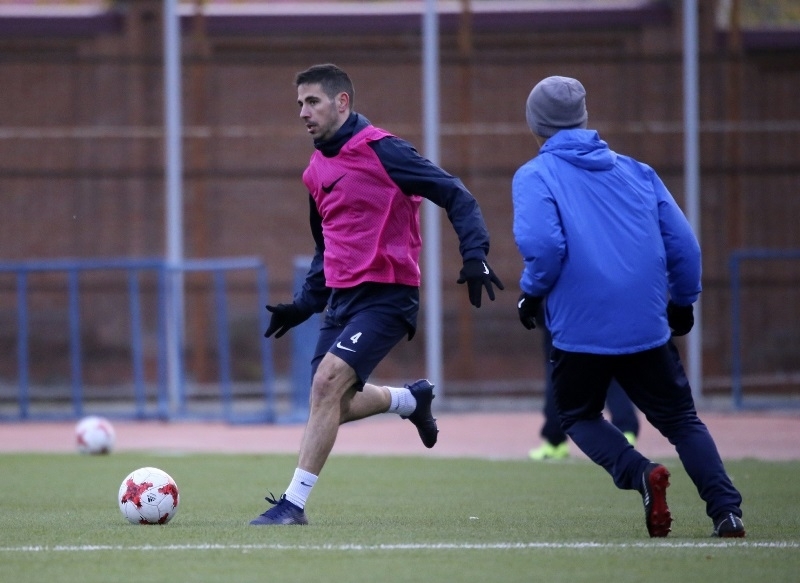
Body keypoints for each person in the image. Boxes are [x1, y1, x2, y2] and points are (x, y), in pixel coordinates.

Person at [250, 63, 504, 525]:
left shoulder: (384, 151)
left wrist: (475, 254)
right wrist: (303, 304)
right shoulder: (315, 171)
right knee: (331, 402)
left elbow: (455, 193)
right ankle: (410, 400)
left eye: (313, 102)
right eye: (300, 103)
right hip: (341, 302)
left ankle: (293, 505)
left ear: (342, 102)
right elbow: (326, 245)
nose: (303, 112)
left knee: (326, 385)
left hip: (388, 295)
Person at [511, 75, 745, 538]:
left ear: (535, 125)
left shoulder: (535, 175)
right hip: (645, 325)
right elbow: (685, 247)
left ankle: (641, 472)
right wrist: (683, 302)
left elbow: (544, 247)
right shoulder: (638, 172)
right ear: (583, 118)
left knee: (577, 415)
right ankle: (727, 511)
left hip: (580, 330)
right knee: (682, 421)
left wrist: (531, 293)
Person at [529, 304, 640, 461]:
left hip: (562, 316)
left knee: (557, 371)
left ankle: (555, 440)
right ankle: (625, 429)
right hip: (597, 314)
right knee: (610, 367)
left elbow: (537, 288)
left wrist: (531, 304)